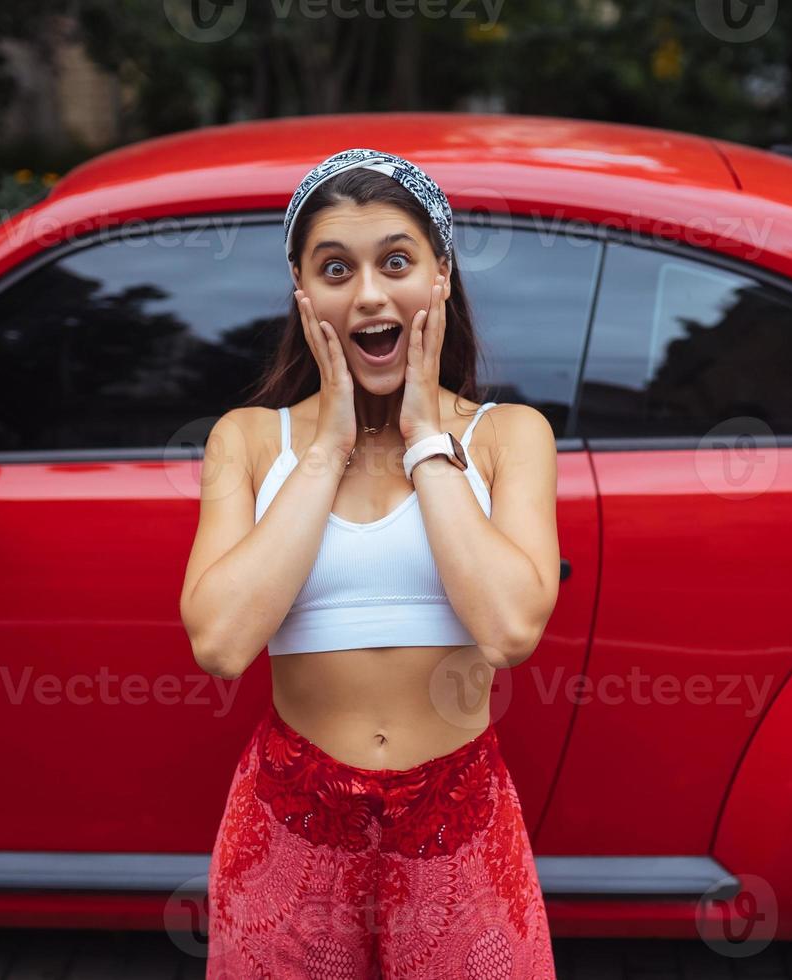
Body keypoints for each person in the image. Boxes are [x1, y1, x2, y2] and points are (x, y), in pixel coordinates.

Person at [180, 147, 561, 979]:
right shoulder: (248, 439)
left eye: (396, 261)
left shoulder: (507, 437)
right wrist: (327, 447)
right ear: (302, 291)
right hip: (288, 820)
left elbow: (508, 629)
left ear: (441, 274)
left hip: (459, 820)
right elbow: (220, 642)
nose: (369, 294)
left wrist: (428, 438)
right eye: (335, 268)